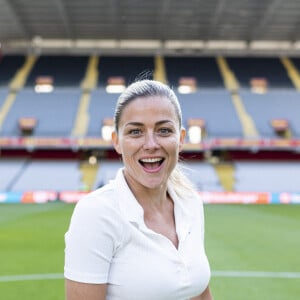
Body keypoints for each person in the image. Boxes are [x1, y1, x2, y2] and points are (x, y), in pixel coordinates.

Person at [64, 79, 213, 300]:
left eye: (163, 130)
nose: (151, 143)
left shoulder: (190, 202)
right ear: (116, 141)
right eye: (135, 132)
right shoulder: (96, 213)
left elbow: (199, 293)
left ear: (181, 139)